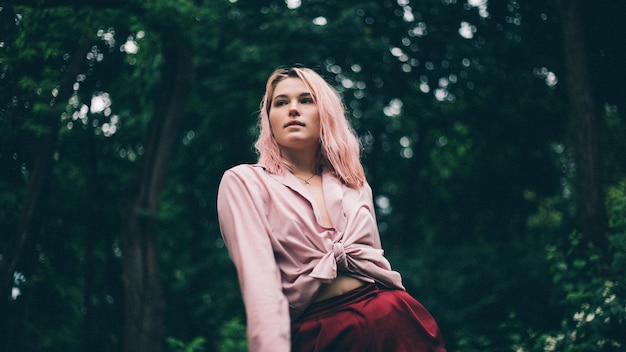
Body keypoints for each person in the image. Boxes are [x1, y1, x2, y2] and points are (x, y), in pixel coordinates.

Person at [217, 66, 446, 352]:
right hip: (320, 333)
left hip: (394, 320)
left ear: (324, 113)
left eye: (306, 100)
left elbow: (375, 263)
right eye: (281, 102)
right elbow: (260, 285)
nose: (293, 110)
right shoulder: (245, 182)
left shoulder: (354, 181)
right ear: (269, 119)